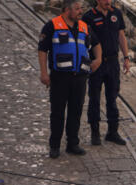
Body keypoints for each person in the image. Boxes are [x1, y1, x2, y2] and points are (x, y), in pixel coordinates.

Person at [38, 0, 102, 159]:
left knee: (76, 111)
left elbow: (96, 44)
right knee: (57, 112)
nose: (81, 11)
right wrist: (44, 73)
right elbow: (42, 50)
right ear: (67, 10)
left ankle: (72, 144)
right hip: (60, 77)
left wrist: (98, 59)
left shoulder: (84, 27)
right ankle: (54, 146)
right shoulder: (52, 25)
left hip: (80, 77)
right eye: (78, 8)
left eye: (81, 8)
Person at [82, 0, 130, 146]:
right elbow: (83, 40)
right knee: (95, 98)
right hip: (97, 63)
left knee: (112, 97)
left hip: (113, 62)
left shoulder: (116, 13)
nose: (108, 1)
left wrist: (126, 57)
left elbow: (121, 36)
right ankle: (95, 133)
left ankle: (112, 132)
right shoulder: (89, 17)